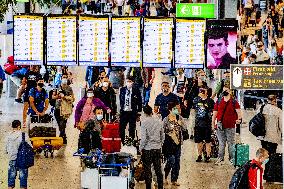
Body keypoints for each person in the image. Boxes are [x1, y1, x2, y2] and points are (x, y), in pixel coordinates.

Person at [212, 86, 242, 165]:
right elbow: (215, 113)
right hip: (220, 125)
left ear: (230, 91)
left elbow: (239, 112)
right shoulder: (218, 101)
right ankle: (220, 158)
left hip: (230, 125)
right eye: (223, 90)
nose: (224, 91)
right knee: (221, 143)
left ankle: (231, 159)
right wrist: (213, 123)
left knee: (230, 143)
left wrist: (239, 119)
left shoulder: (234, 102)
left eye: (226, 90)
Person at [140, 105, 164, 189]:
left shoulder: (144, 122)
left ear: (144, 113)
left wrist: (140, 148)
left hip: (147, 150)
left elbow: (144, 138)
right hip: (157, 149)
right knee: (158, 170)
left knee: (148, 170)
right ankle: (160, 187)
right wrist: (159, 144)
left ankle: (148, 187)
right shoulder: (159, 121)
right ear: (151, 112)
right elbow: (162, 136)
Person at [162, 102, 186, 186]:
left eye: (178, 108)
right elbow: (162, 131)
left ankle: (174, 179)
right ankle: (164, 176)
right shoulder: (166, 119)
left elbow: (185, 128)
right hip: (168, 144)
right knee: (171, 160)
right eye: (175, 108)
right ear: (170, 110)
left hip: (178, 143)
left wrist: (181, 124)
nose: (177, 110)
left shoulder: (180, 118)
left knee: (177, 162)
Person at [5, 120, 31, 189]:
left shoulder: (8, 135)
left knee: (11, 176)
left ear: (12, 126)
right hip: (22, 159)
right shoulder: (24, 135)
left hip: (12, 158)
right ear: (19, 126)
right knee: (23, 177)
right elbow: (30, 147)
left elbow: (6, 148)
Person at [193, 86, 215, 163]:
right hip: (198, 124)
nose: (201, 92)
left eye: (203, 91)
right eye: (200, 90)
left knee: (207, 141)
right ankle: (199, 155)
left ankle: (208, 156)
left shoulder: (210, 101)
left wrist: (213, 122)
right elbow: (194, 110)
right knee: (199, 141)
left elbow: (214, 112)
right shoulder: (196, 99)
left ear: (207, 92)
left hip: (207, 124)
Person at [52, 74, 75, 144]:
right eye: (63, 77)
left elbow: (72, 98)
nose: (64, 79)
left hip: (65, 109)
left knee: (63, 123)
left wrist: (64, 96)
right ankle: (63, 135)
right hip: (57, 107)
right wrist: (58, 96)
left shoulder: (69, 88)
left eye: (65, 77)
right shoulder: (57, 87)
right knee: (59, 123)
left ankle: (61, 137)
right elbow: (53, 97)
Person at [119, 76, 142, 143]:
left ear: (132, 82)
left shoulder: (136, 90)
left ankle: (131, 141)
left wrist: (139, 113)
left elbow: (139, 102)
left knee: (132, 128)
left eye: (130, 82)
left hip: (132, 112)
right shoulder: (122, 89)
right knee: (121, 128)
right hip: (124, 112)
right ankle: (122, 141)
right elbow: (121, 100)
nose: (128, 83)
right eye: (127, 81)